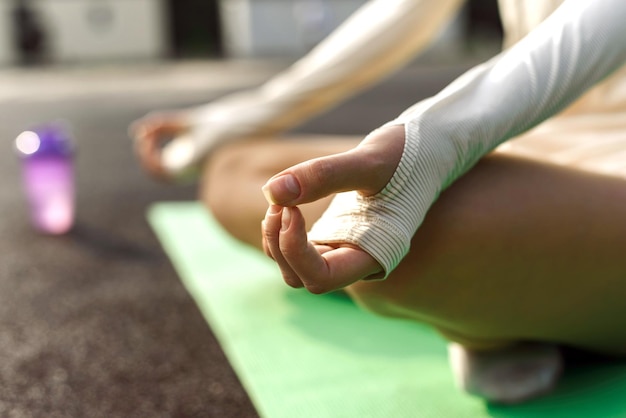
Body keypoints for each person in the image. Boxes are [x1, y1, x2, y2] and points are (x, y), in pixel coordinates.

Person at [131, 0, 626, 404]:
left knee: (394, 239)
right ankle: (532, 298)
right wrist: (252, 112)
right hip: (526, 132)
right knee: (236, 170)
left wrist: (436, 140)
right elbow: (409, 9)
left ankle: (515, 306)